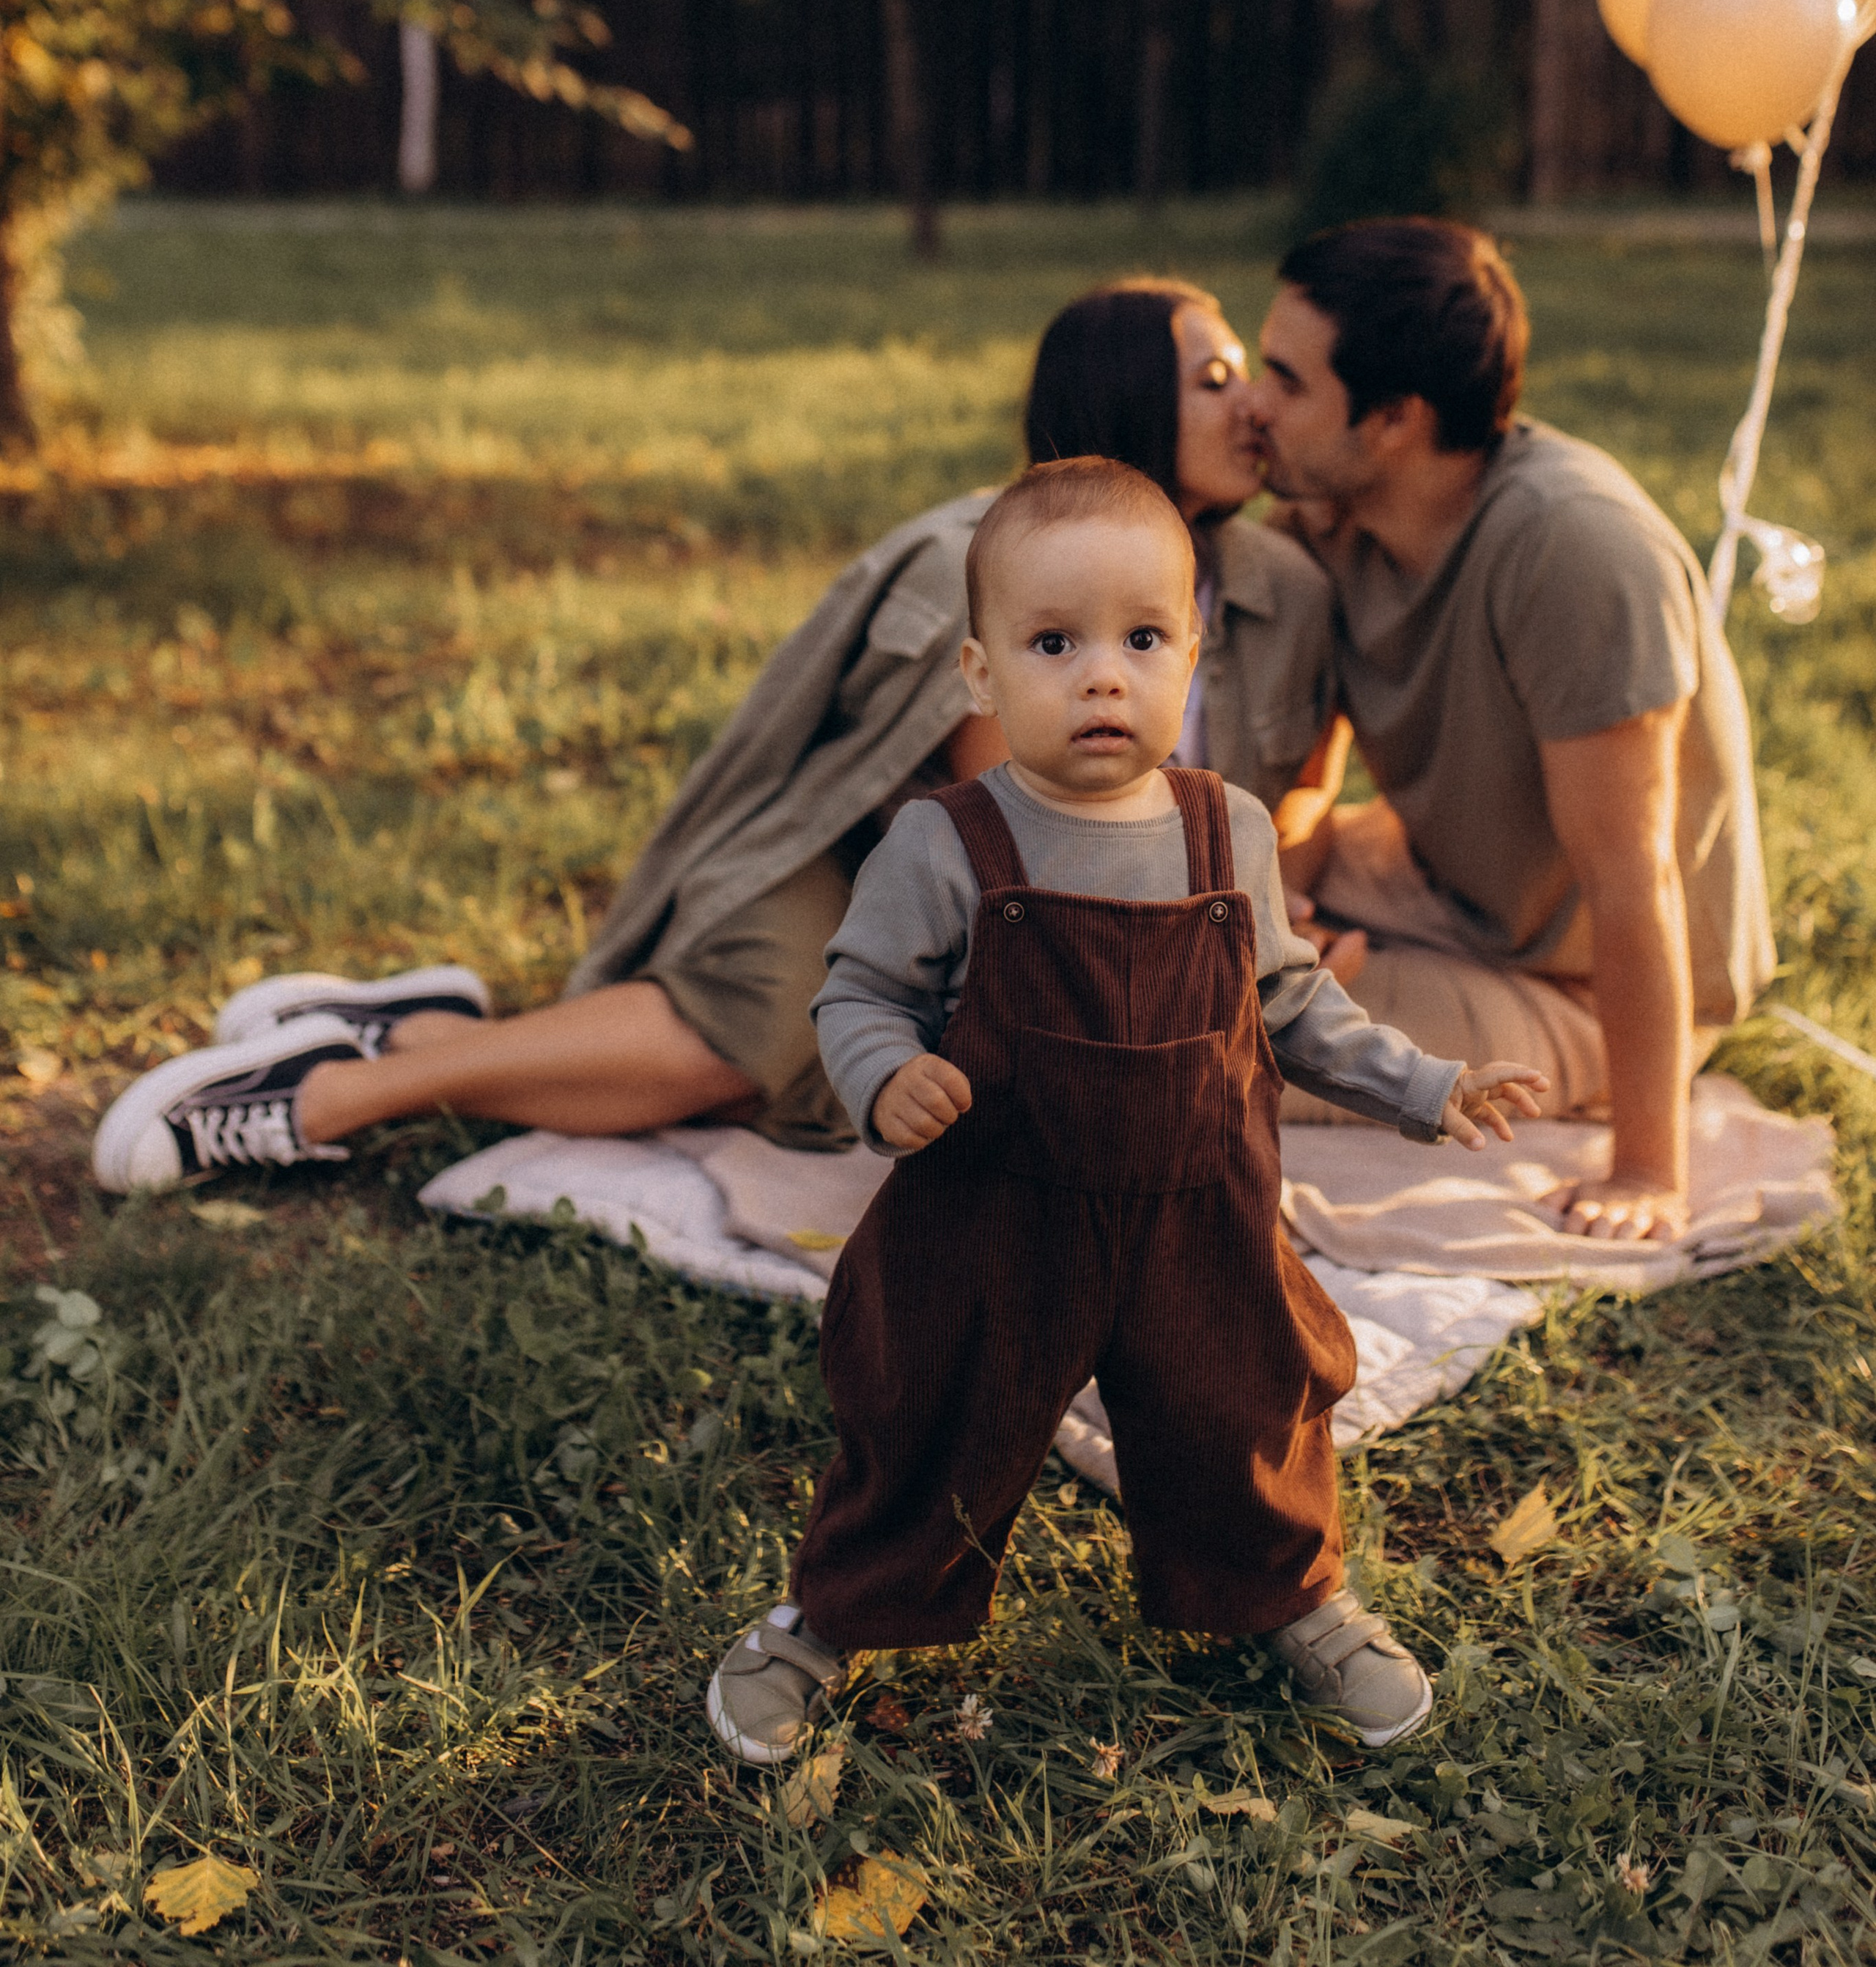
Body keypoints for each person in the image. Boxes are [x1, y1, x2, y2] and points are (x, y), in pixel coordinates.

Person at [92, 280, 1343, 1193]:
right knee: (768, 1034)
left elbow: (1287, 801)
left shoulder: (1278, 584)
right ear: (1127, 393)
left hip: (1083, 898)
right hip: (888, 857)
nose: (1251, 409)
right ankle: (323, 1095)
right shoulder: (994, 565)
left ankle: (410, 1032)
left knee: (819, 1067)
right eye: (1216, 375)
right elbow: (1020, 839)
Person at [704, 457, 1547, 1765]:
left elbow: (1298, 1005)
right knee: (933, 1417)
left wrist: (1430, 1088)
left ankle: (1294, 1597)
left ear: (1192, 658)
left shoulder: (1229, 832)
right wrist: (883, 1072)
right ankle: (832, 1612)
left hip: (1196, 1219)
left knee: (1246, 1410)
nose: (1104, 673)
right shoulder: (948, 842)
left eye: (1142, 637)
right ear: (981, 675)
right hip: (993, 1214)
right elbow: (856, 994)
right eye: (1055, 641)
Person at [1249, 218, 1775, 1244]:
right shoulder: (1325, 522)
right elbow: (1312, 782)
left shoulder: (1575, 550)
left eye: (1288, 380)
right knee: (1180, 936)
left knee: (1244, 1042)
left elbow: (1636, 883)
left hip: (1581, 971)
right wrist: (1284, 908)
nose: (1256, 406)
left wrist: (1645, 1171)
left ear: (1391, 419)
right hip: (1441, 881)